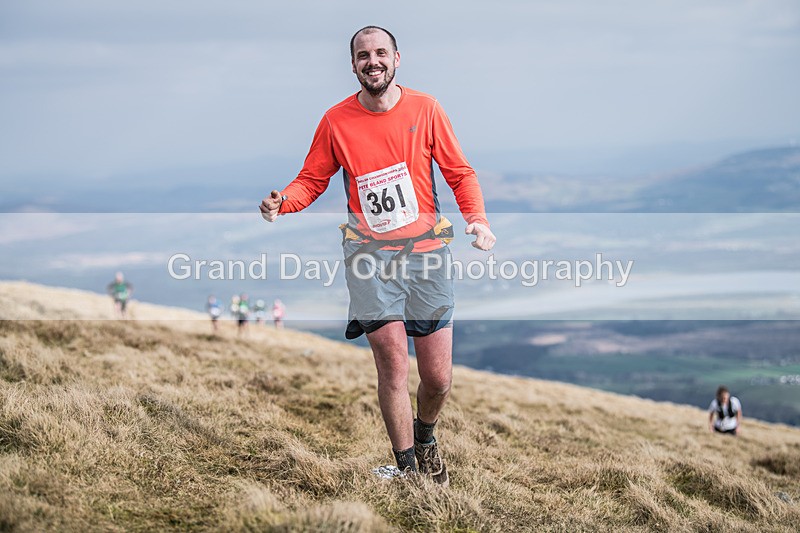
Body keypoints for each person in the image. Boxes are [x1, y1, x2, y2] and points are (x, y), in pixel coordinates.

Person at [259, 26, 495, 485]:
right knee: (393, 368)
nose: (373, 61)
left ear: (397, 59)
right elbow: (312, 179)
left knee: (438, 378)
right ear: (353, 65)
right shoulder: (335, 121)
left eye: (380, 53)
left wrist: (478, 220)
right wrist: (281, 202)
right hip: (369, 258)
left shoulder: (426, 109)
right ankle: (408, 471)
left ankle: (425, 437)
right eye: (363, 55)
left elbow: (460, 173)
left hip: (427, 255)